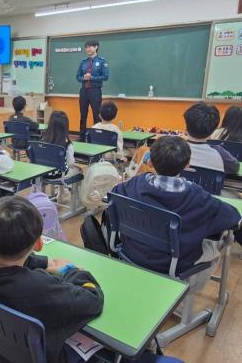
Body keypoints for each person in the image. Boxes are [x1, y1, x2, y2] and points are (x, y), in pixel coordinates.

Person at [0, 196, 104, 363]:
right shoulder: (41, 288)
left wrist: (44, 262)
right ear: (39, 243)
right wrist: (71, 270)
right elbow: (93, 300)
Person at [112, 136, 240, 288]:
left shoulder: (132, 185)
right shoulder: (198, 197)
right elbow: (234, 218)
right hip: (173, 264)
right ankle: (189, 291)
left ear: (150, 162)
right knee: (217, 245)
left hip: (132, 251)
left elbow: (112, 196)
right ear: (187, 165)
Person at [183, 103, 239, 174]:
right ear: (213, 131)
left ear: (186, 128)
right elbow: (235, 167)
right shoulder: (219, 152)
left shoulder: (175, 149)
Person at [76, 40, 109, 140]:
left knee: (96, 115)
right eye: (86, 47)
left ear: (96, 47)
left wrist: (92, 78)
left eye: (90, 47)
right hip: (84, 91)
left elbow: (105, 76)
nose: (88, 49)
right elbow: (78, 77)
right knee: (83, 115)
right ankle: (82, 136)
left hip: (95, 91)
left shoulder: (102, 61)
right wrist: (84, 78)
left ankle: (96, 137)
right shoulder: (84, 62)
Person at [43, 111, 80, 180]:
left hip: (42, 173)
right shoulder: (67, 144)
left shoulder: (43, 140)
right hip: (59, 175)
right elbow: (70, 163)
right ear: (65, 127)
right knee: (79, 171)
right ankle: (69, 186)